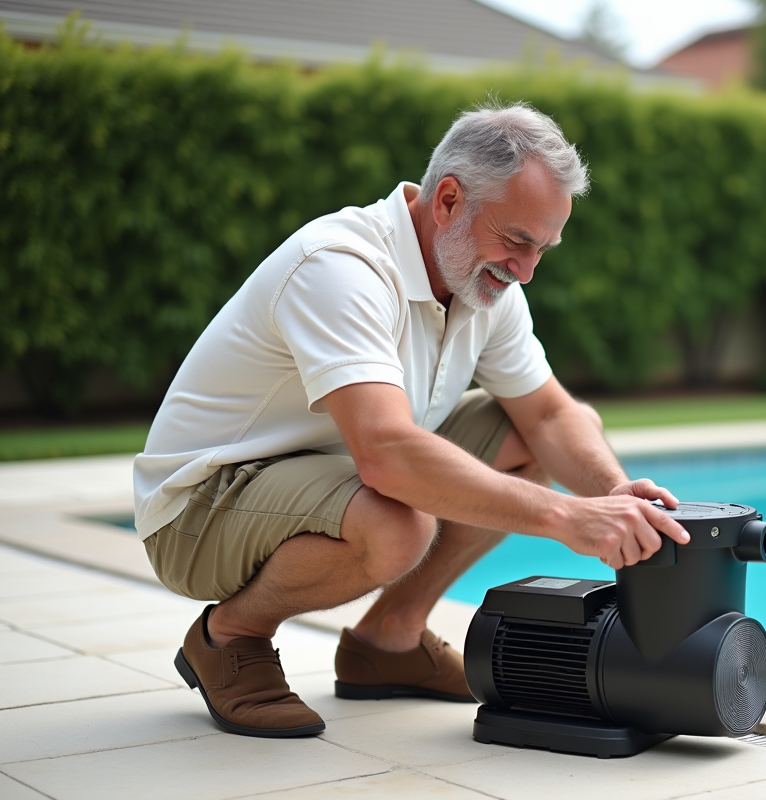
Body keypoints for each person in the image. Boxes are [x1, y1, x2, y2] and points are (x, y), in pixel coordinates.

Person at [132, 103, 690, 738]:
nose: (527, 270)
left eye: (543, 248)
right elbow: (386, 453)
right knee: (399, 522)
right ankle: (231, 635)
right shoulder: (340, 266)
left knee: (520, 435)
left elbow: (550, 413)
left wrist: (611, 493)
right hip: (201, 508)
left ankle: (389, 640)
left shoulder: (483, 286)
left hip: (321, 477)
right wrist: (567, 518)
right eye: (516, 241)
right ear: (448, 199)